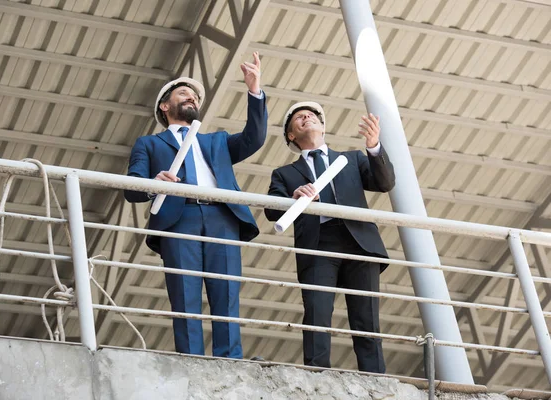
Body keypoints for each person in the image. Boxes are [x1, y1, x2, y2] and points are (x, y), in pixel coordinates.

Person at [124, 52, 267, 359]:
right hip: (180, 218)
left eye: (195, 96)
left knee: (226, 293)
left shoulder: (216, 141)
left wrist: (254, 91)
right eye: (183, 93)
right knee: (184, 293)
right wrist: (153, 184)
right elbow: (132, 187)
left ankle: (230, 360)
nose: (191, 97)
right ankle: (191, 360)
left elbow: (255, 138)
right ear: (165, 106)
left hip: (222, 217)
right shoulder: (149, 144)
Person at [264, 101, 395, 372]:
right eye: (299, 118)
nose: (306, 118)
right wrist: (293, 196)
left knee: (366, 318)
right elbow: (270, 210)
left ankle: (375, 380)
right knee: (317, 312)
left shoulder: (352, 159)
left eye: (312, 116)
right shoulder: (285, 174)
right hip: (318, 242)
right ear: (291, 135)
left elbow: (384, 183)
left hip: (360, 243)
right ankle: (316, 375)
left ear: (323, 127)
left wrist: (373, 146)